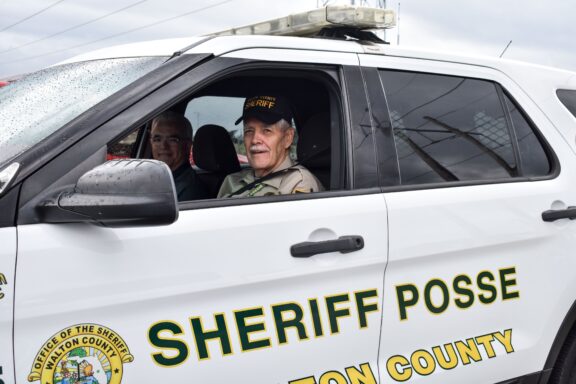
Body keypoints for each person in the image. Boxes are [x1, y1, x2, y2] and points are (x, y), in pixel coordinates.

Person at [218, 95, 323, 198]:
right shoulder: (231, 181)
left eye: (267, 131)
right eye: (249, 131)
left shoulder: (298, 183)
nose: (254, 140)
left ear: (288, 138)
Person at [150, 111, 209, 201]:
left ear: (188, 145)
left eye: (173, 140)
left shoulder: (190, 191)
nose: (163, 146)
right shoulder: (161, 179)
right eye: (157, 139)